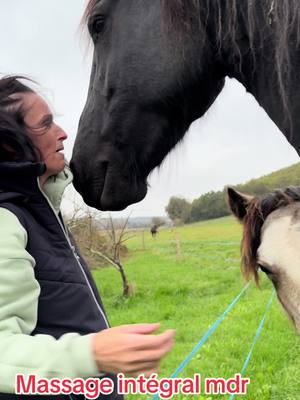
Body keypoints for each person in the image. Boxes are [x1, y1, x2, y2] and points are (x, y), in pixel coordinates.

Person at [0, 76, 175, 399]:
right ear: (10, 144)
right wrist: (92, 353)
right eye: (46, 124)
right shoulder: (6, 221)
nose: (62, 133)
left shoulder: (40, 211)